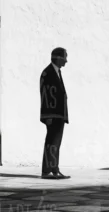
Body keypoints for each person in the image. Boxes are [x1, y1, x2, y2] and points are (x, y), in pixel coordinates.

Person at [39, 47, 70, 179]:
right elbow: (45, 95)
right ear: (58, 58)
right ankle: (47, 171)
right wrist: (48, 115)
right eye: (64, 58)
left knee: (56, 143)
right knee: (51, 142)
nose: (66, 61)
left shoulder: (56, 72)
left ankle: (54, 169)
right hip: (52, 115)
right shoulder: (48, 73)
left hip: (59, 115)